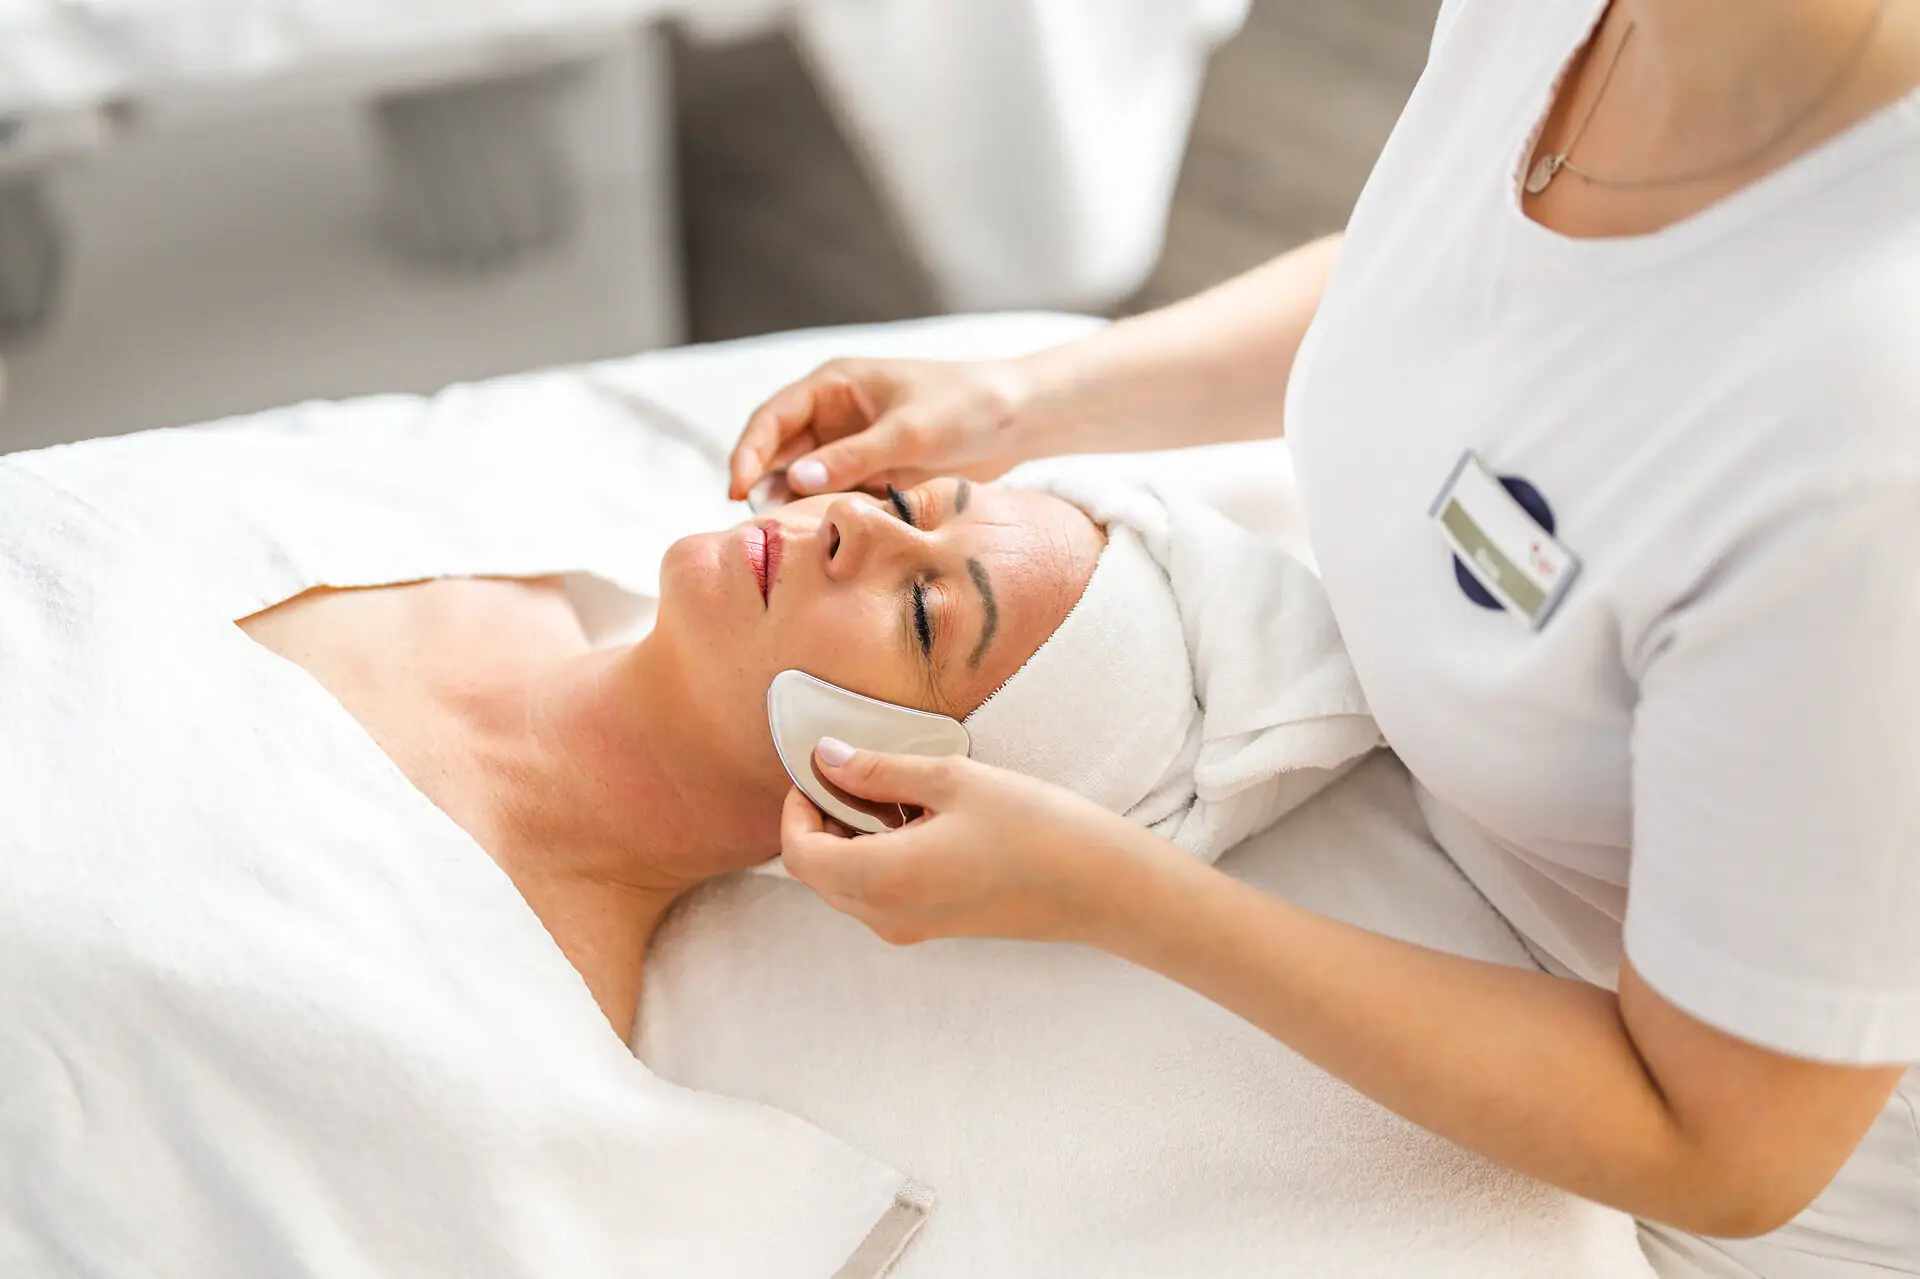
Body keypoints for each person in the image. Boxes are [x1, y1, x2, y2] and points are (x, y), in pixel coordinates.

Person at [726, 1, 1920, 1275]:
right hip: (1442, 848)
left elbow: (1726, 1150)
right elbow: (1478, 275)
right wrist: (1026, 398)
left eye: (926, 608)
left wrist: (1105, 895)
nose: (860, 534)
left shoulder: (1865, 440)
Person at [238, 480, 1104, 1040]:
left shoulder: (501, 1029)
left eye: (922, 613)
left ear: (898, 803)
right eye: (904, 502)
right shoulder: (434, 534)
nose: (852, 520)